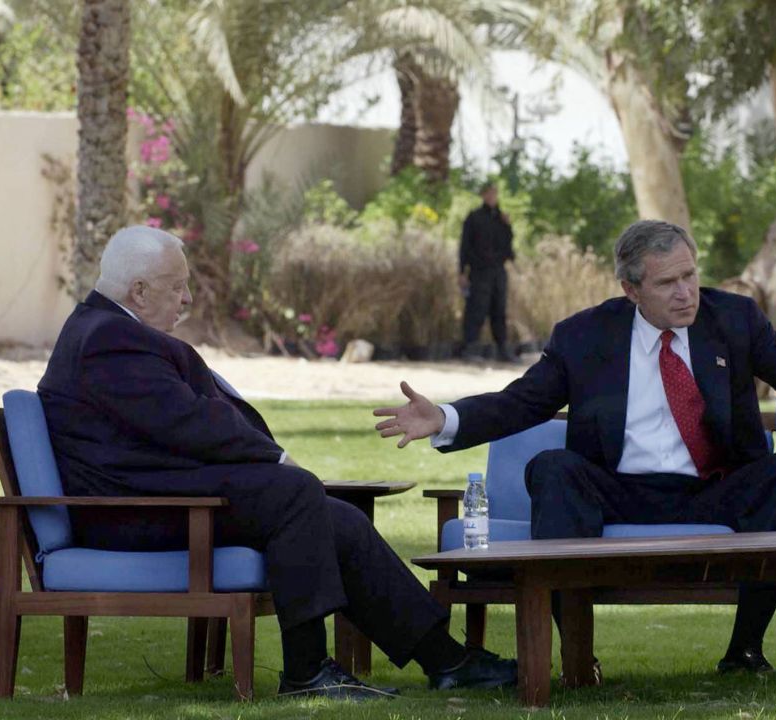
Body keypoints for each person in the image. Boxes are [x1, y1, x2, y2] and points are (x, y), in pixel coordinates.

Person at [374, 219, 776, 673]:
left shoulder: (733, 319)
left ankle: (744, 651)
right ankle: (577, 658)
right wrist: (445, 417)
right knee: (553, 468)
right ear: (631, 289)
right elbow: (521, 403)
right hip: (619, 490)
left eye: (690, 275)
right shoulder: (584, 336)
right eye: (667, 283)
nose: (685, 292)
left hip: (714, 488)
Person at [37, 226, 517, 700]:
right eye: (177, 286)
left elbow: (163, 428)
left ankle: (447, 662)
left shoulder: (109, 330)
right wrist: (277, 459)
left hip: (160, 496)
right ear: (139, 291)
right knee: (294, 492)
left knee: (340, 518)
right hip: (130, 513)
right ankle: (306, 673)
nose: (187, 299)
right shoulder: (106, 338)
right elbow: (186, 422)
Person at [458, 181, 516, 362]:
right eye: (488, 193)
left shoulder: (501, 218)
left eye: (494, 193)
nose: (492, 197)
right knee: (476, 309)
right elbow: (464, 246)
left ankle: (502, 349)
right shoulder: (474, 217)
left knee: (499, 309)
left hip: (498, 271)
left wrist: (508, 226)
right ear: (483, 195)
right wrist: (462, 271)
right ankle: (470, 349)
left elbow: (508, 244)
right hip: (479, 271)